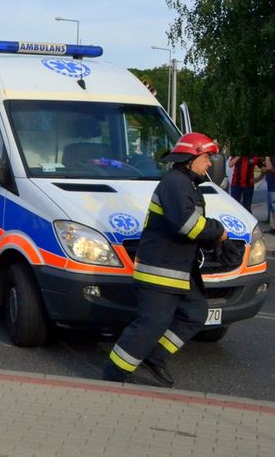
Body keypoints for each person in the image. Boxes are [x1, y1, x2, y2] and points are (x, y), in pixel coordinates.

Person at [102, 132, 227, 387]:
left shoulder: (187, 184)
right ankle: (113, 375)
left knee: (195, 312)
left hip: (177, 270)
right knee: (151, 324)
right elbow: (187, 225)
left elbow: (190, 228)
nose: (209, 164)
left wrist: (212, 241)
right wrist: (217, 230)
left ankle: (155, 355)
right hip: (160, 271)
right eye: (206, 158)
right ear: (191, 159)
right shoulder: (175, 183)